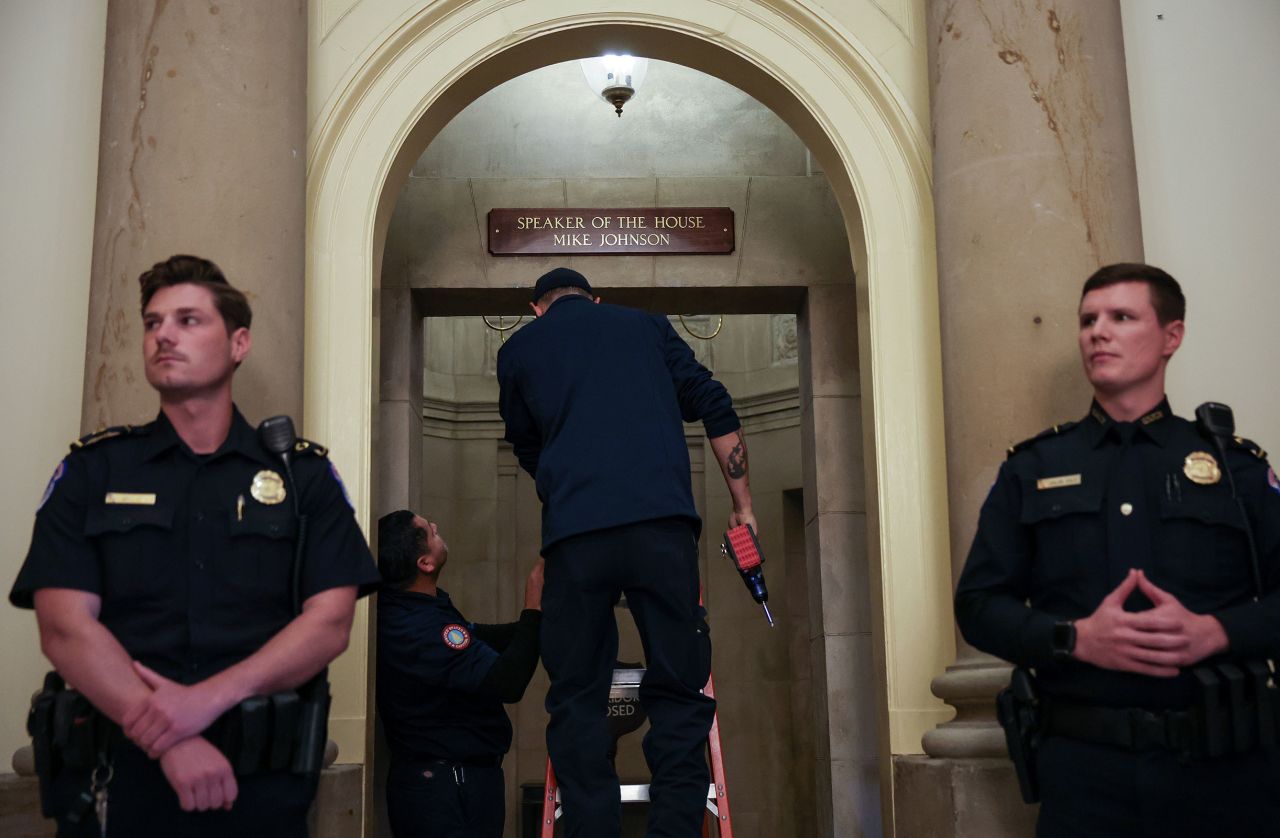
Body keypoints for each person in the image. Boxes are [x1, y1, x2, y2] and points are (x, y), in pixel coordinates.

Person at [9, 254, 380, 837]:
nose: (163, 336)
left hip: (259, 783)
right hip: (119, 778)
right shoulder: (94, 470)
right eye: (153, 323)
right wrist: (170, 739)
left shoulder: (302, 476)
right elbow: (64, 628)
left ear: (238, 344)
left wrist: (204, 700)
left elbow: (329, 624)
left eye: (187, 320)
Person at [954, 263, 1280, 837]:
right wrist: (1073, 638)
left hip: (1226, 773)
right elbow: (979, 604)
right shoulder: (1034, 467)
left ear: (1170, 337)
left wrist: (1219, 632)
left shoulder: (1236, 468)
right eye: (1087, 321)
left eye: (1121, 317)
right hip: (1085, 775)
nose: (1097, 332)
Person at [495, 266, 756, 838]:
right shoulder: (646, 326)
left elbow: (525, 441)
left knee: (577, 695)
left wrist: (565, 490)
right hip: (660, 530)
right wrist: (743, 506)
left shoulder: (518, 349)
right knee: (681, 691)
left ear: (538, 307)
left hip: (576, 539)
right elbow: (714, 402)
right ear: (596, 298)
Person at [374, 510, 543, 837]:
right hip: (445, 788)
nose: (436, 526)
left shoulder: (416, 608)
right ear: (425, 563)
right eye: (428, 530)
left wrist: (540, 623)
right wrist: (533, 604)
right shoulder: (418, 628)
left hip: (453, 781)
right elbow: (508, 682)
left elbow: (479, 637)